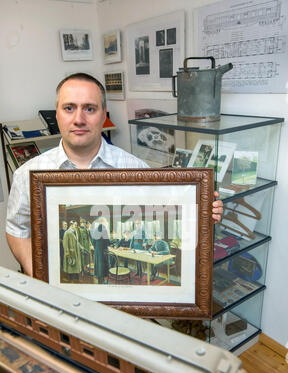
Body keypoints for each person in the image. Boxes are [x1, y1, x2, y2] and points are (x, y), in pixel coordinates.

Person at [6, 73, 223, 276]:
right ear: (57, 114)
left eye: (89, 109)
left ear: (103, 115)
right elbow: (17, 229)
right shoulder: (27, 174)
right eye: (69, 108)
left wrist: (202, 213)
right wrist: (37, 273)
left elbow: (161, 216)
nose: (79, 119)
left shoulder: (136, 169)